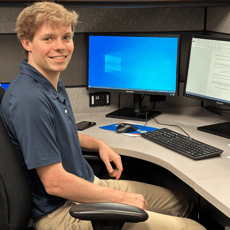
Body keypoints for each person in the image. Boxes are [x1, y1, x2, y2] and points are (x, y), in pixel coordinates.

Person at [0, 2, 206, 230]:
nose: (60, 47)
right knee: (195, 228)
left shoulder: (50, 81)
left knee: (181, 203)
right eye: (48, 38)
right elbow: (55, 183)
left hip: (86, 186)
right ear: (26, 42)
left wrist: (98, 143)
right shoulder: (30, 100)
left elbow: (55, 135)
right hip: (62, 211)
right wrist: (122, 199)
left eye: (66, 37)